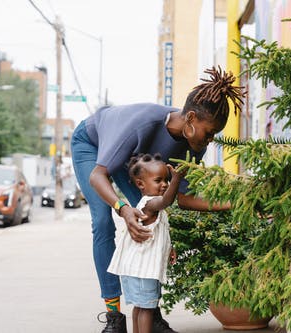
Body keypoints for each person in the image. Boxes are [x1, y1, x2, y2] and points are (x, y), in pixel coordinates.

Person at [70, 66, 244, 333]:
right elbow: (98, 175)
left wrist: (235, 203)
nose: (210, 140)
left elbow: (182, 199)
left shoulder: (192, 146)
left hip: (131, 161)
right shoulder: (141, 124)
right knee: (103, 222)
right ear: (191, 119)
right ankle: (114, 317)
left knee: (152, 222)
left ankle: (150, 313)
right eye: (208, 133)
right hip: (92, 144)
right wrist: (122, 208)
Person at [107, 153, 180, 333]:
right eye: (158, 180)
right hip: (143, 270)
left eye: (167, 179)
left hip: (136, 269)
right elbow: (167, 201)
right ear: (141, 184)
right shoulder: (150, 203)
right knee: (147, 308)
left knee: (140, 307)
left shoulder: (150, 205)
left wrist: (169, 248)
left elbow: (159, 231)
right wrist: (177, 179)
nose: (165, 184)